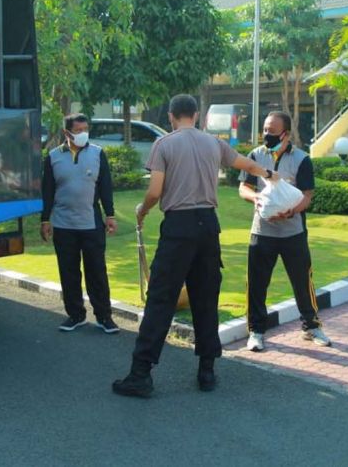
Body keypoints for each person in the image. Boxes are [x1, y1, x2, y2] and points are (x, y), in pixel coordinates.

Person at [112, 94, 279, 398]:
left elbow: (155, 190)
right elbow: (245, 164)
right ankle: (207, 370)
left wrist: (143, 209)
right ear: (198, 115)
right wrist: (269, 174)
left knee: (161, 299)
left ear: (172, 117)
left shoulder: (165, 144)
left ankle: (141, 374)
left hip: (178, 227)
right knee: (205, 298)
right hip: (208, 227)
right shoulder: (213, 143)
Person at [238, 111, 330, 353]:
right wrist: (255, 197)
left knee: (303, 281)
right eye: (265, 130)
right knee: (257, 284)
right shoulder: (255, 156)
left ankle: (311, 326)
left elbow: (307, 196)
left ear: (286, 134)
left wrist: (291, 212)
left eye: (272, 131)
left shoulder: (302, 159)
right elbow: (244, 187)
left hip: (293, 233)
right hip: (262, 232)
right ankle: (256, 331)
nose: (266, 134)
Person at [40, 113, 119, 334]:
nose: (83, 134)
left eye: (86, 129)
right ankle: (75, 315)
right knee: (68, 272)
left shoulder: (97, 153)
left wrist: (110, 215)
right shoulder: (53, 156)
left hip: (91, 224)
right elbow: (48, 190)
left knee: (97, 272)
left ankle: (104, 317)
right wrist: (45, 219)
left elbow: (105, 186)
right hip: (64, 225)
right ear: (66, 133)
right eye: (78, 130)